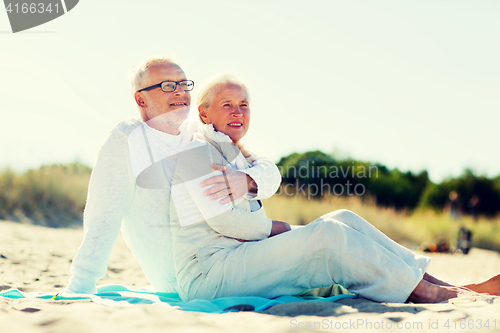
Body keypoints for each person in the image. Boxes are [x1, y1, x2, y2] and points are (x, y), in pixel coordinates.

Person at [169, 75, 500, 304]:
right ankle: (428, 294)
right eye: (227, 104)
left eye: (244, 104)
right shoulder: (198, 153)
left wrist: (250, 180)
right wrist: (286, 228)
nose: (238, 112)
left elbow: (270, 171)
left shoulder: (233, 149)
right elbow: (228, 225)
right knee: (329, 235)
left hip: (237, 258)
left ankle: (449, 285)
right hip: (210, 276)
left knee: (343, 217)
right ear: (204, 113)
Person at [65, 58, 281, 294]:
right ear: (140, 99)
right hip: (189, 281)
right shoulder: (127, 139)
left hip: (234, 258)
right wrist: (81, 285)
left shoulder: (198, 133)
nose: (180, 92)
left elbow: (265, 167)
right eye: (168, 85)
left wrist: (248, 181)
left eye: (184, 84)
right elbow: (102, 218)